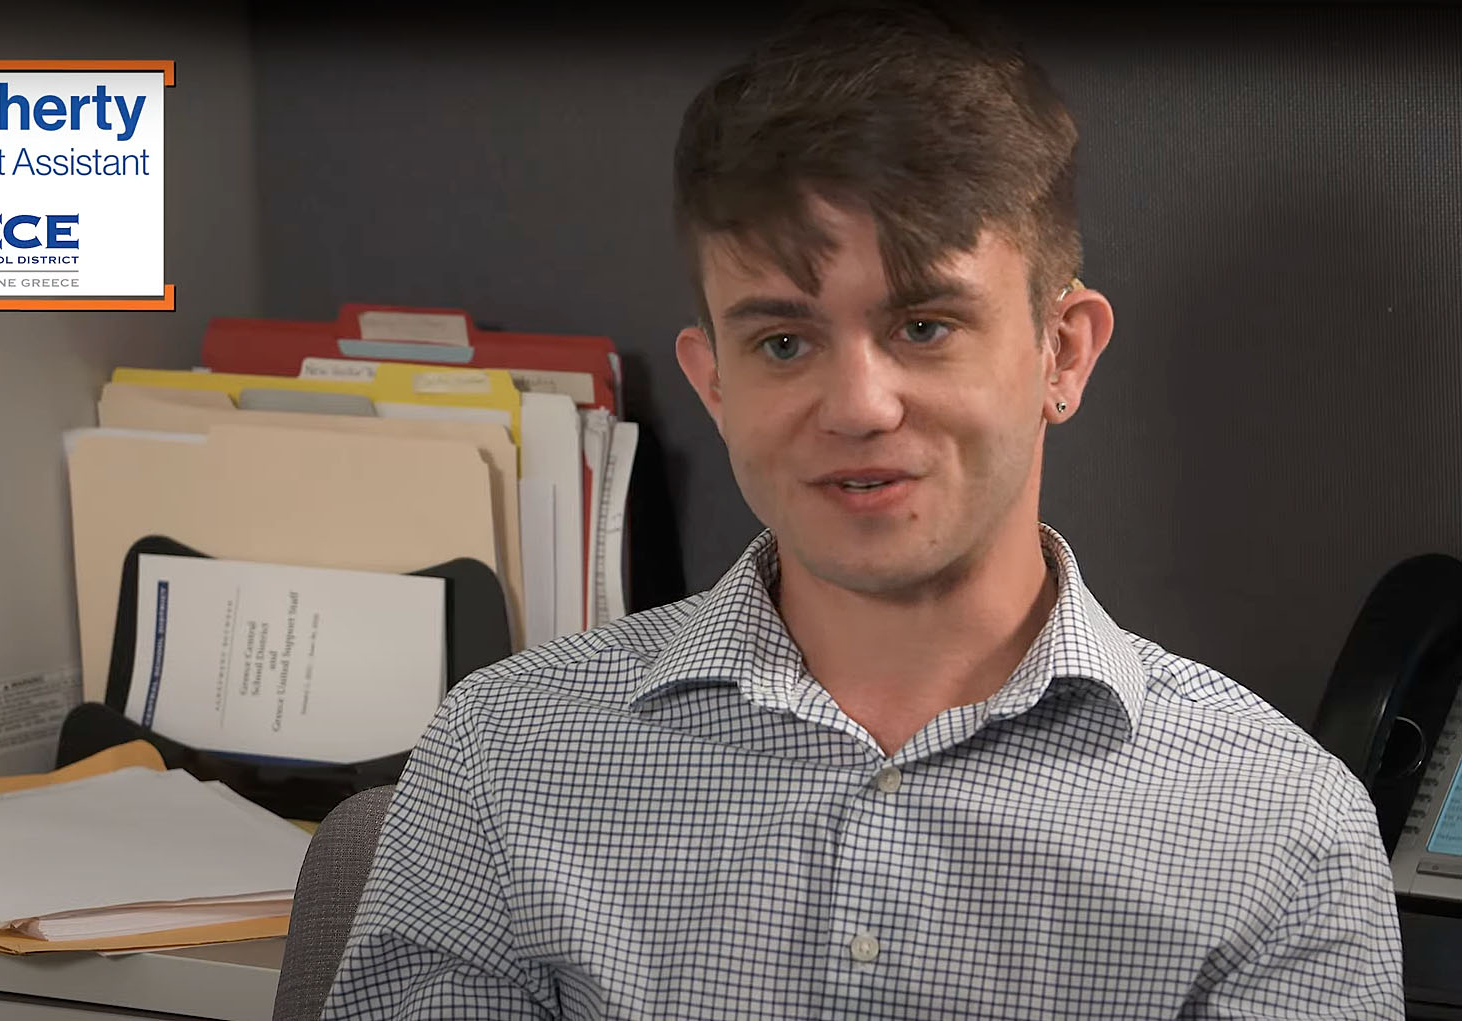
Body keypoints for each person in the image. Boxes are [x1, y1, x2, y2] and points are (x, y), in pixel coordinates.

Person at [319, 3, 1402, 1017]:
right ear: (714, 381)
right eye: (784, 342)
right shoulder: (501, 757)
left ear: (1061, 354)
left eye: (924, 326)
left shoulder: (1282, 832)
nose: (857, 406)